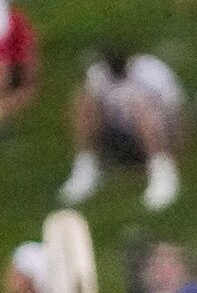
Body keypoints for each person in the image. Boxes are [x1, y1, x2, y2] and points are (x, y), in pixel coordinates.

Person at [58, 46, 184, 214]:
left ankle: (162, 172)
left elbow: (178, 112)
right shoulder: (99, 75)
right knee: (83, 102)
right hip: (117, 137)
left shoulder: (151, 72)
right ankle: (87, 166)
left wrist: (177, 147)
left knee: (140, 108)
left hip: (155, 135)